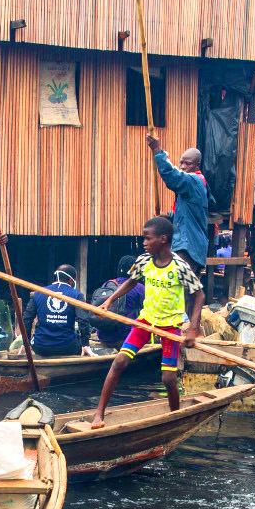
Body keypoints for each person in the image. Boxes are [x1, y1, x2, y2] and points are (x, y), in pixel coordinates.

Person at [90, 215, 203, 428]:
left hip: (171, 324)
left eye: (147, 238)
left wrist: (192, 329)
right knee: (119, 362)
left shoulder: (180, 266)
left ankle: (174, 417)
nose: (143, 242)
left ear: (163, 239)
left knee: (168, 379)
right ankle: (98, 414)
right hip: (146, 321)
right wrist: (109, 301)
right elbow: (131, 282)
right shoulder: (143, 261)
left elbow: (199, 295)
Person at [146, 131, 209, 274]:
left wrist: (157, 150)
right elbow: (185, 216)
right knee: (185, 291)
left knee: (181, 289)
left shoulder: (194, 181)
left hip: (187, 246)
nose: (182, 166)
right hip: (190, 245)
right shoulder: (191, 187)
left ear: (196, 165)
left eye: (187, 164)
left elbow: (172, 176)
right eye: (181, 162)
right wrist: (167, 217)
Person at [26, 265, 87, 356]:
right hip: (67, 347)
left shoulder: (38, 293)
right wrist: (86, 344)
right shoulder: (77, 295)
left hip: (40, 347)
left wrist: (25, 343)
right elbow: (83, 320)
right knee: (77, 341)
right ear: (71, 280)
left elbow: (27, 319)